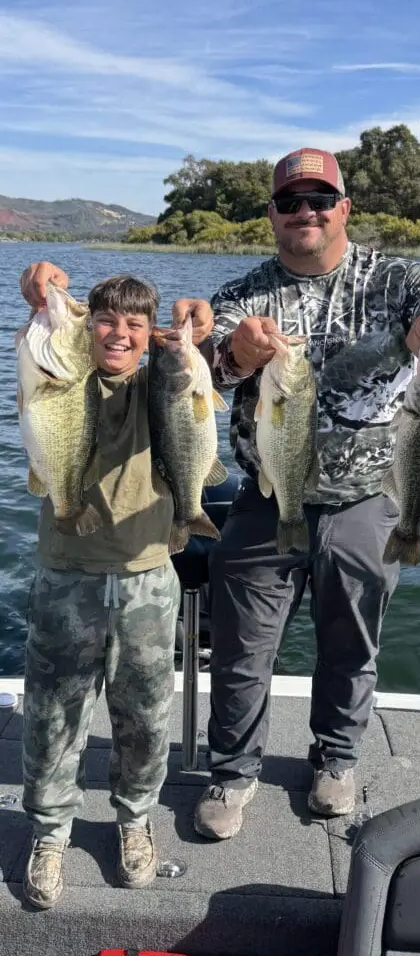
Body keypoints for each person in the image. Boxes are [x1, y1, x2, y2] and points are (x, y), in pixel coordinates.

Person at [176, 147, 420, 841]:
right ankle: (233, 773)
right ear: (271, 216)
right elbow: (194, 374)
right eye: (290, 202)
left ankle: (336, 758)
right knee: (240, 651)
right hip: (267, 499)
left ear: (344, 208)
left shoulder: (397, 279)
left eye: (320, 199)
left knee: (352, 645)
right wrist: (232, 355)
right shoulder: (245, 294)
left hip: (368, 501)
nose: (305, 213)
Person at [17, 273, 195, 910]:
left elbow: (215, 372)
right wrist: (38, 292)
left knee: (145, 721)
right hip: (67, 576)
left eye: (134, 326)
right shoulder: (60, 371)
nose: (118, 334)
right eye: (105, 321)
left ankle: (134, 820)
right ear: (86, 325)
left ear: (151, 338)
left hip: (150, 578)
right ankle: (48, 831)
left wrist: (200, 343)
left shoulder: (162, 383)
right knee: (54, 719)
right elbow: (41, 327)